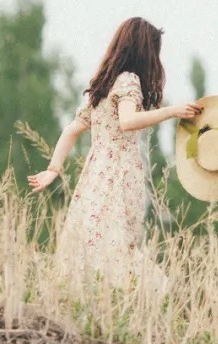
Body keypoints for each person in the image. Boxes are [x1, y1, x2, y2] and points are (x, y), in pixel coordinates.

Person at [27, 17, 202, 287]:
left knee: (94, 245)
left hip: (95, 176)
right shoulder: (129, 81)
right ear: (145, 51)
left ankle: (97, 297)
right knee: (117, 248)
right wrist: (172, 111)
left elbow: (71, 130)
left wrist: (53, 169)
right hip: (120, 175)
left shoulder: (105, 86)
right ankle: (143, 295)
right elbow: (128, 121)